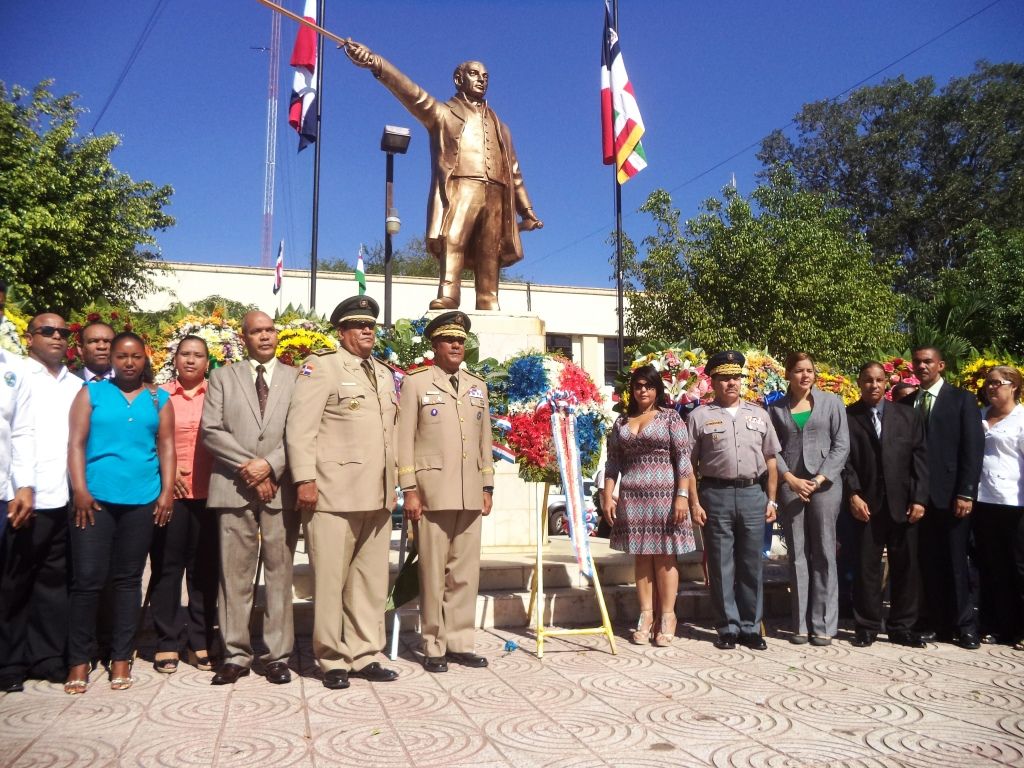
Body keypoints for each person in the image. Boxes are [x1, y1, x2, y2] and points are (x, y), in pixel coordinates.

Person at [344, 42, 543, 311]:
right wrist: (376, 63)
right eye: (474, 74)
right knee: (454, 238)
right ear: (458, 79)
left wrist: (527, 210)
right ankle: (449, 293)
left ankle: (489, 298)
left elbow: (515, 172)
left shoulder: (501, 127)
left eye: (485, 77)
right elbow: (410, 92)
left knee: (490, 248)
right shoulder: (443, 113)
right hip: (461, 185)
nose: (481, 80)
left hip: (497, 191)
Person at [286, 296, 400, 690]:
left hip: (378, 494)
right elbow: (301, 429)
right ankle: (332, 658)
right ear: (341, 331)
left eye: (370, 324)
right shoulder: (321, 367)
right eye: (357, 324)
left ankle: (365, 653)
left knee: (369, 583)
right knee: (331, 581)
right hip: (333, 494)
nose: (367, 330)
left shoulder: (384, 374)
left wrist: (399, 483)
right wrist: (304, 479)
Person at [65, 332, 175, 693]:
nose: (129, 363)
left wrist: (166, 493)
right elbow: (76, 443)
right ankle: (79, 660)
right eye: (122, 356)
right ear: (111, 359)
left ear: (146, 359)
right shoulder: (92, 393)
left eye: (136, 356)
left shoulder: (159, 399)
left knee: (129, 581)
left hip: (142, 500)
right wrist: (80, 489)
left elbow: (167, 447)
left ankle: (121, 657)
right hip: (95, 501)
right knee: (88, 581)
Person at [201, 311, 298, 686]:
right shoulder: (222, 377)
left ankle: (277, 656)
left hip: (280, 488)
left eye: (270, 330)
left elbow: (301, 430)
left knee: (280, 572)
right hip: (234, 487)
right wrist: (251, 468)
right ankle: (236, 654)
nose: (265, 336)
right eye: (256, 331)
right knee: (234, 575)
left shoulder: (296, 378)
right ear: (244, 337)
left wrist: (271, 466)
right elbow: (211, 430)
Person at [398, 312, 494, 672]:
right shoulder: (416, 383)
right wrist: (409, 488)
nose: (456, 345)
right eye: (448, 340)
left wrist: (488, 485)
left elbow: (485, 441)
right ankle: (433, 645)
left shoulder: (477, 385)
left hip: (470, 492)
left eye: (460, 340)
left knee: (465, 573)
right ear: (435, 345)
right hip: (431, 492)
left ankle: (460, 642)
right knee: (433, 573)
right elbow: (403, 439)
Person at [0, 315, 79, 692]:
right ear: (29, 338)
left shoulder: (77, 385)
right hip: (24, 496)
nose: (57, 337)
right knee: (14, 583)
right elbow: (18, 434)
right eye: (48, 331)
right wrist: (21, 486)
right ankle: (10, 662)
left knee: (54, 581)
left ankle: (47, 657)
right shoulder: (16, 375)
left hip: (64, 497)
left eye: (63, 332)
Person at [689, 350, 780, 651]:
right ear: (712, 382)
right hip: (715, 495)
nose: (731, 383)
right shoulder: (699, 417)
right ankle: (727, 627)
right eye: (725, 378)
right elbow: (688, 464)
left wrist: (772, 500)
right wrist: (694, 502)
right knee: (720, 563)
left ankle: (751, 628)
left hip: (754, 494)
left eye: (736, 378)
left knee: (752, 564)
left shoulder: (759, 414)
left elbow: (771, 460)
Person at [602, 365, 696, 647]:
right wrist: (607, 496)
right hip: (633, 497)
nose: (643, 390)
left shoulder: (671, 418)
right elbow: (612, 463)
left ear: (658, 390)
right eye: (638, 385)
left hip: (666, 495)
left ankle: (667, 616)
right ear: (632, 389)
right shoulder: (620, 422)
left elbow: (683, 459)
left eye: (649, 385)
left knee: (666, 557)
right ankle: (646, 614)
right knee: (642, 557)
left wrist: (682, 496)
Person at [843, 362, 929, 648]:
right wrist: (853, 494)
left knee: (906, 567)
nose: (874, 386)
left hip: (903, 504)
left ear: (887, 384)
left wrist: (919, 498)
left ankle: (902, 626)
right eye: (868, 381)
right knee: (866, 567)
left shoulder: (908, 415)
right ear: (860, 383)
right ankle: (866, 625)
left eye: (879, 380)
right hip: (866, 504)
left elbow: (920, 459)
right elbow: (845, 461)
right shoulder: (847, 417)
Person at [904, 346, 984, 648]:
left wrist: (966, 491)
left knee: (956, 562)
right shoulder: (909, 401)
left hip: (952, 496)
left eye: (927, 362)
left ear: (941, 364)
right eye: (917, 362)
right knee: (928, 562)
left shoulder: (962, 400)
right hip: (918, 498)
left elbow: (972, 450)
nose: (921, 366)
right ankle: (935, 623)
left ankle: (964, 625)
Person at [768, 352, 850, 646]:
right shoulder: (775, 408)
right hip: (792, 486)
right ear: (788, 374)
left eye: (810, 370)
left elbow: (842, 446)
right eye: (799, 371)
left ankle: (824, 625)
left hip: (825, 486)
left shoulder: (832, 403)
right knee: (798, 555)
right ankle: (800, 625)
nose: (806, 375)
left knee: (825, 553)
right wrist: (789, 478)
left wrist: (818, 479)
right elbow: (772, 449)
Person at [149, 335, 219, 673]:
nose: (191, 360)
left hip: (210, 494)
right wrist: (169, 471)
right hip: (170, 495)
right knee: (167, 568)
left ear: (208, 361)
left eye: (198, 355)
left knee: (205, 571)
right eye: (185, 354)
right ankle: (166, 641)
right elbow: (147, 439)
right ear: (175, 359)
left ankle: (201, 640)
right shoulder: (158, 395)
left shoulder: (218, 395)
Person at [974, 366, 1024, 650]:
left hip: (1014, 503)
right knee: (990, 567)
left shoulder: (1021, 418)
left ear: (1014, 386)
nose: (991, 387)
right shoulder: (980, 416)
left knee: (1018, 568)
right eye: (988, 383)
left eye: (997, 383)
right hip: (983, 500)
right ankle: (994, 625)